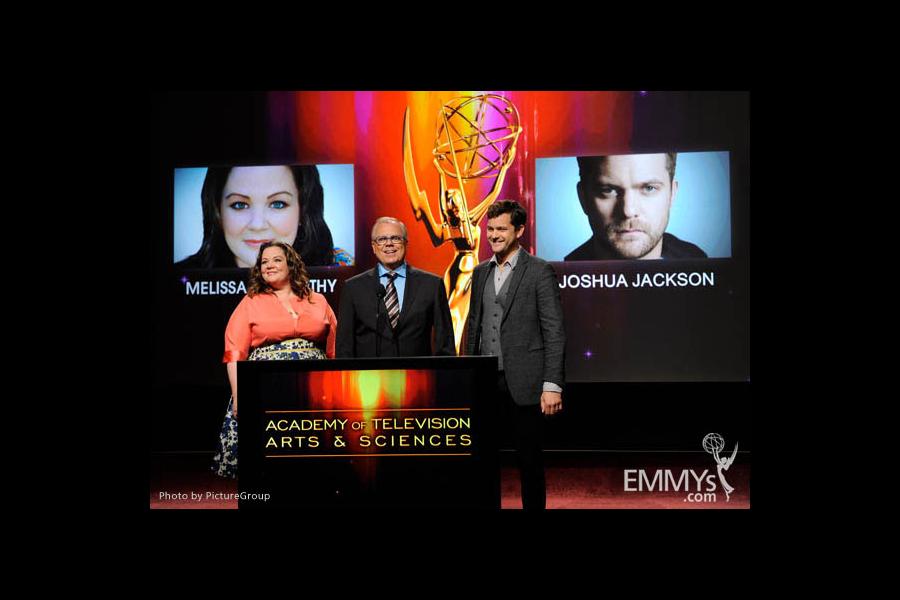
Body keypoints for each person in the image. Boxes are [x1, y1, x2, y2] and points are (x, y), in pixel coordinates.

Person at [465, 200, 565, 510]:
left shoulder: (538, 271)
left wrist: (552, 385)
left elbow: (554, 331)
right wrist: (467, 376)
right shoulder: (480, 272)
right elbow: (474, 327)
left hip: (526, 383)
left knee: (529, 460)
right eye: (490, 229)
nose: (493, 235)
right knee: (482, 460)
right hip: (485, 383)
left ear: (519, 230)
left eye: (501, 229)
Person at [212, 241, 337, 479]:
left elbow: (334, 351)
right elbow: (235, 353)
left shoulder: (318, 300)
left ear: (291, 265)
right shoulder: (251, 302)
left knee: (313, 455)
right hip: (266, 387)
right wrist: (239, 396)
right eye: (263, 262)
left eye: (276, 260)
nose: (268, 266)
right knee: (270, 455)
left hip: (313, 389)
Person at [178, 165, 353, 269]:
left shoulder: (337, 265)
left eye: (278, 204)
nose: (257, 224)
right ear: (218, 212)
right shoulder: (186, 274)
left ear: (303, 211)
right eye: (239, 204)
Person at [336, 217, 455, 358]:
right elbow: (344, 348)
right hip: (369, 378)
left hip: (417, 376)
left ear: (406, 243)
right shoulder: (353, 288)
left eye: (395, 238)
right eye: (381, 239)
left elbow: (445, 344)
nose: (389, 244)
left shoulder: (432, 285)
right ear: (374, 247)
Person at [565, 152, 707, 260]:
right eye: (608, 190)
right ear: (583, 198)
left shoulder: (699, 261)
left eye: (649, 188)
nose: (628, 211)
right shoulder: (554, 282)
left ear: (672, 194)